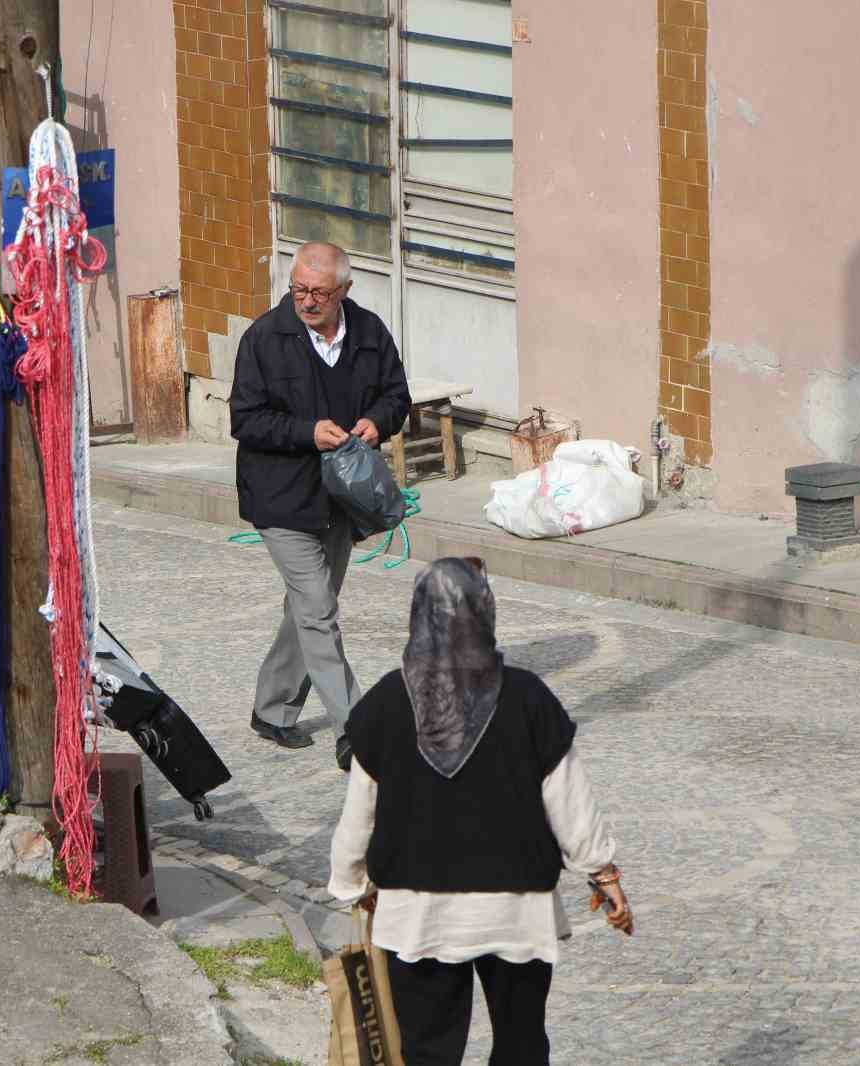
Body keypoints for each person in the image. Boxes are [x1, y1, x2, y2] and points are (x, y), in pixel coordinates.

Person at [328, 557, 634, 1066]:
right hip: (514, 909)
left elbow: (359, 812)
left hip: (419, 911)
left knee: (428, 1052)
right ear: (485, 613)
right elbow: (570, 800)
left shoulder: (384, 704)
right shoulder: (529, 698)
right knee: (522, 1047)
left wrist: (352, 885)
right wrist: (603, 873)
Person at [229, 242, 410, 769]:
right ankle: (355, 729)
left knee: (309, 608)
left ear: (344, 291)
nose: (307, 302)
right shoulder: (264, 339)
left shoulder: (370, 332)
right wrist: (308, 433)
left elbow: (397, 396)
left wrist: (379, 420)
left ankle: (273, 709)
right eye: (299, 290)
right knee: (319, 609)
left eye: (319, 293)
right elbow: (246, 419)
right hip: (280, 497)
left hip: (342, 497)